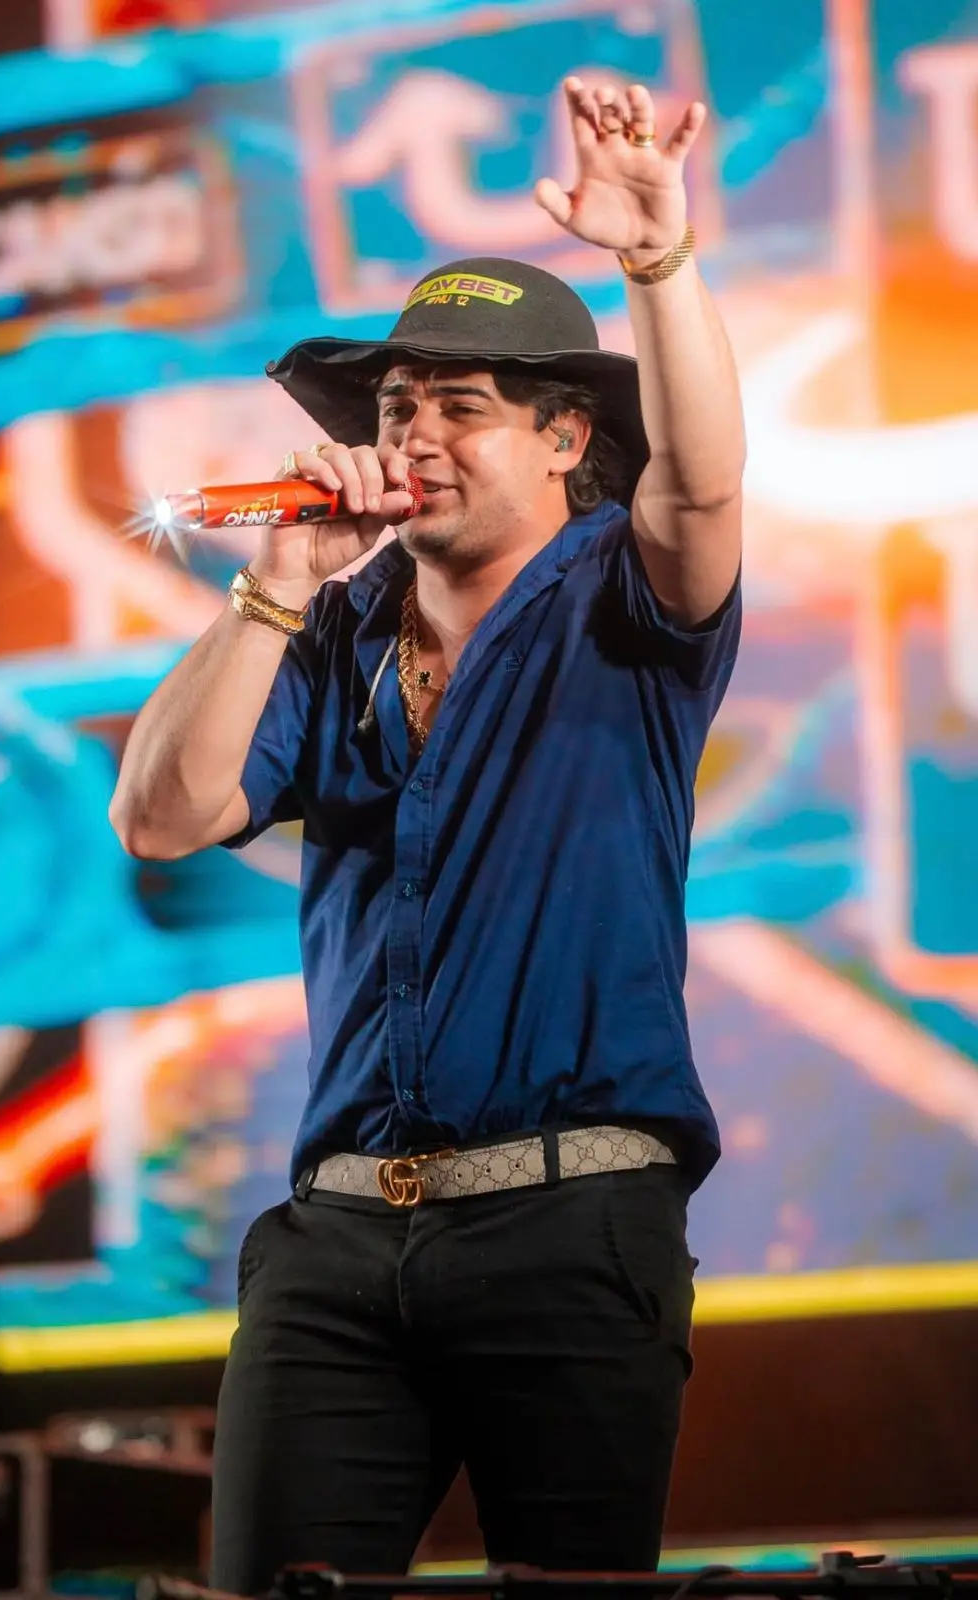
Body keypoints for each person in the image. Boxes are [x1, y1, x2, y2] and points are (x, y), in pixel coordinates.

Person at [112, 78, 744, 1594]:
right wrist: (280, 584)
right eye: (399, 408)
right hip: (336, 1246)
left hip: (572, 1225)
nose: (416, 435)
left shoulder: (622, 596)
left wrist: (655, 259)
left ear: (563, 438)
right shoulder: (326, 632)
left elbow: (705, 481)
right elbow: (162, 814)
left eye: (463, 407)